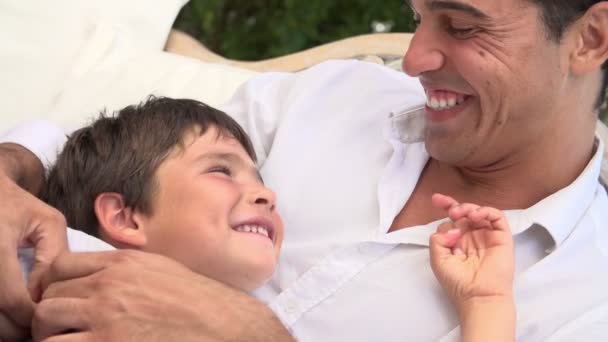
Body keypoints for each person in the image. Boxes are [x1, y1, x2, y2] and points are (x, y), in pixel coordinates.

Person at [1, 0, 607, 340]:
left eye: (464, 25)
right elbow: (116, 156)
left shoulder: (588, 303)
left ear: (591, 38)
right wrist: (10, 173)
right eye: (418, 16)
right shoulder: (331, 95)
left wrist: (252, 335)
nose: (416, 57)